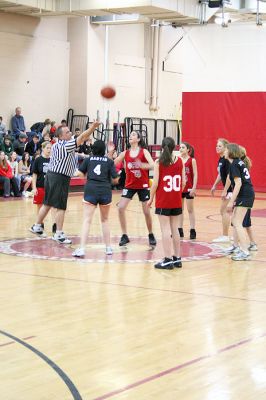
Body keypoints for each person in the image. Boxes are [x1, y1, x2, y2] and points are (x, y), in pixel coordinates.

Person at [29, 121, 100, 243]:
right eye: (67, 132)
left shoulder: (57, 144)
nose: (70, 133)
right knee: (60, 206)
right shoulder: (66, 145)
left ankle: (37, 226)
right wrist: (93, 127)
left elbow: (81, 138)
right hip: (59, 177)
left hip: (51, 176)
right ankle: (59, 234)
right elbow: (82, 137)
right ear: (61, 136)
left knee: (47, 203)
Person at [72, 140, 119, 257]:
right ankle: (108, 248)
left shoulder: (88, 159)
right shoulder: (109, 161)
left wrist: (87, 177)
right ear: (104, 150)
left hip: (91, 190)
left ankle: (82, 249)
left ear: (93, 149)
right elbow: (116, 179)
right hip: (105, 191)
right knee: (105, 220)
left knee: (87, 220)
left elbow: (79, 174)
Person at [113, 131, 156, 247]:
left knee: (146, 212)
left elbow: (153, 165)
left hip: (143, 185)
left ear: (138, 139)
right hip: (130, 185)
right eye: (130, 135)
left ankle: (151, 234)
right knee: (121, 208)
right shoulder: (125, 153)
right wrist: (111, 152)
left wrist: (142, 165)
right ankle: (124, 235)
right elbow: (113, 163)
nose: (131, 136)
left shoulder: (144, 152)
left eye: (133, 135)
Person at [147, 137, 185, 269]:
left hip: (164, 200)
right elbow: (184, 182)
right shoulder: (180, 161)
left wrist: (150, 198)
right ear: (174, 147)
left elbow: (155, 183)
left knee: (165, 229)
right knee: (175, 229)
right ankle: (177, 258)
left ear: (162, 147)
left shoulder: (159, 162)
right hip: (176, 199)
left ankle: (168, 259)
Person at [224, 143, 255, 261]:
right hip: (245, 194)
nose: (225, 152)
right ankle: (237, 247)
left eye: (226, 150)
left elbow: (238, 183)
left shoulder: (234, 165)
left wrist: (231, 202)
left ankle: (245, 251)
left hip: (245, 195)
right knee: (236, 222)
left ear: (231, 152)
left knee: (237, 223)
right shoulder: (238, 163)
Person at [211, 138, 233, 243]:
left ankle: (225, 236)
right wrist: (214, 185)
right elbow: (221, 174)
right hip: (228, 189)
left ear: (225, 148)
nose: (217, 147)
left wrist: (225, 190)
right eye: (217, 145)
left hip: (232, 189)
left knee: (223, 211)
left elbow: (229, 175)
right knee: (227, 212)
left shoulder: (227, 159)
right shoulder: (221, 159)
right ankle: (233, 236)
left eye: (220, 146)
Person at [178, 142, 198, 239]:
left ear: (188, 150)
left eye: (183, 147)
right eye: (180, 147)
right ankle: (179, 230)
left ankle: (192, 229)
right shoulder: (178, 160)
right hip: (180, 188)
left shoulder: (192, 160)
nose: (181, 149)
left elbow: (195, 174)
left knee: (190, 209)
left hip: (189, 187)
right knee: (179, 210)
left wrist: (194, 187)